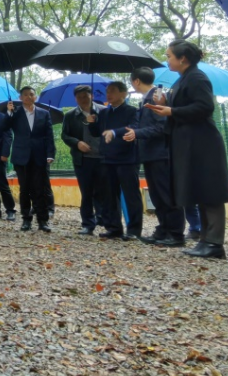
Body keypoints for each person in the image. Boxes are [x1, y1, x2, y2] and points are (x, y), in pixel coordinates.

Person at [146, 39, 228, 260]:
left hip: (203, 144)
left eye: (169, 56)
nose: (167, 59)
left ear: (182, 58)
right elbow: (184, 106)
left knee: (210, 192)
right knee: (200, 191)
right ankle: (205, 239)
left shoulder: (197, 77)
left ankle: (214, 243)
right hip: (188, 143)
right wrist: (167, 103)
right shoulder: (183, 78)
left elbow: (205, 106)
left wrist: (171, 111)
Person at [129, 68, 186, 248]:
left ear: (136, 81)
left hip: (161, 153)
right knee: (156, 194)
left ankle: (175, 233)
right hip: (150, 154)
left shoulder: (157, 96)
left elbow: (161, 127)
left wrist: (136, 133)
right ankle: (163, 229)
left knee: (166, 193)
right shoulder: (147, 97)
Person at [0, 87, 55, 232]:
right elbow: (4, 127)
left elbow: (49, 135)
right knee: (24, 189)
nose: (29, 97)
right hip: (21, 156)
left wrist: (50, 154)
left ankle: (43, 221)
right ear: (20, 97)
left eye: (31, 94)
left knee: (40, 189)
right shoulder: (15, 113)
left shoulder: (44, 113)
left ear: (35, 97)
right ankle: (26, 219)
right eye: (25, 95)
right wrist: (9, 113)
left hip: (39, 155)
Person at [96, 81, 144, 240]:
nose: (108, 94)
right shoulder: (104, 113)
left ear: (123, 94)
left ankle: (134, 230)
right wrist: (91, 122)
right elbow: (98, 132)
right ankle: (114, 227)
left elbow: (133, 128)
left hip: (127, 158)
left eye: (113, 91)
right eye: (107, 91)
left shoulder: (132, 111)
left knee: (131, 194)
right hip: (107, 159)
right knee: (109, 195)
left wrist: (114, 132)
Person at [60, 85, 108, 235]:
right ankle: (88, 223)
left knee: (103, 191)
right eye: (79, 97)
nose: (83, 99)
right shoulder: (70, 115)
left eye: (86, 96)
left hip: (103, 157)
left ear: (91, 96)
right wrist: (77, 143)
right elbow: (65, 135)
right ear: (76, 99)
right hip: (83, 159)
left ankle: (104, 218)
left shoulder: (103, 111)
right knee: (86, 192)